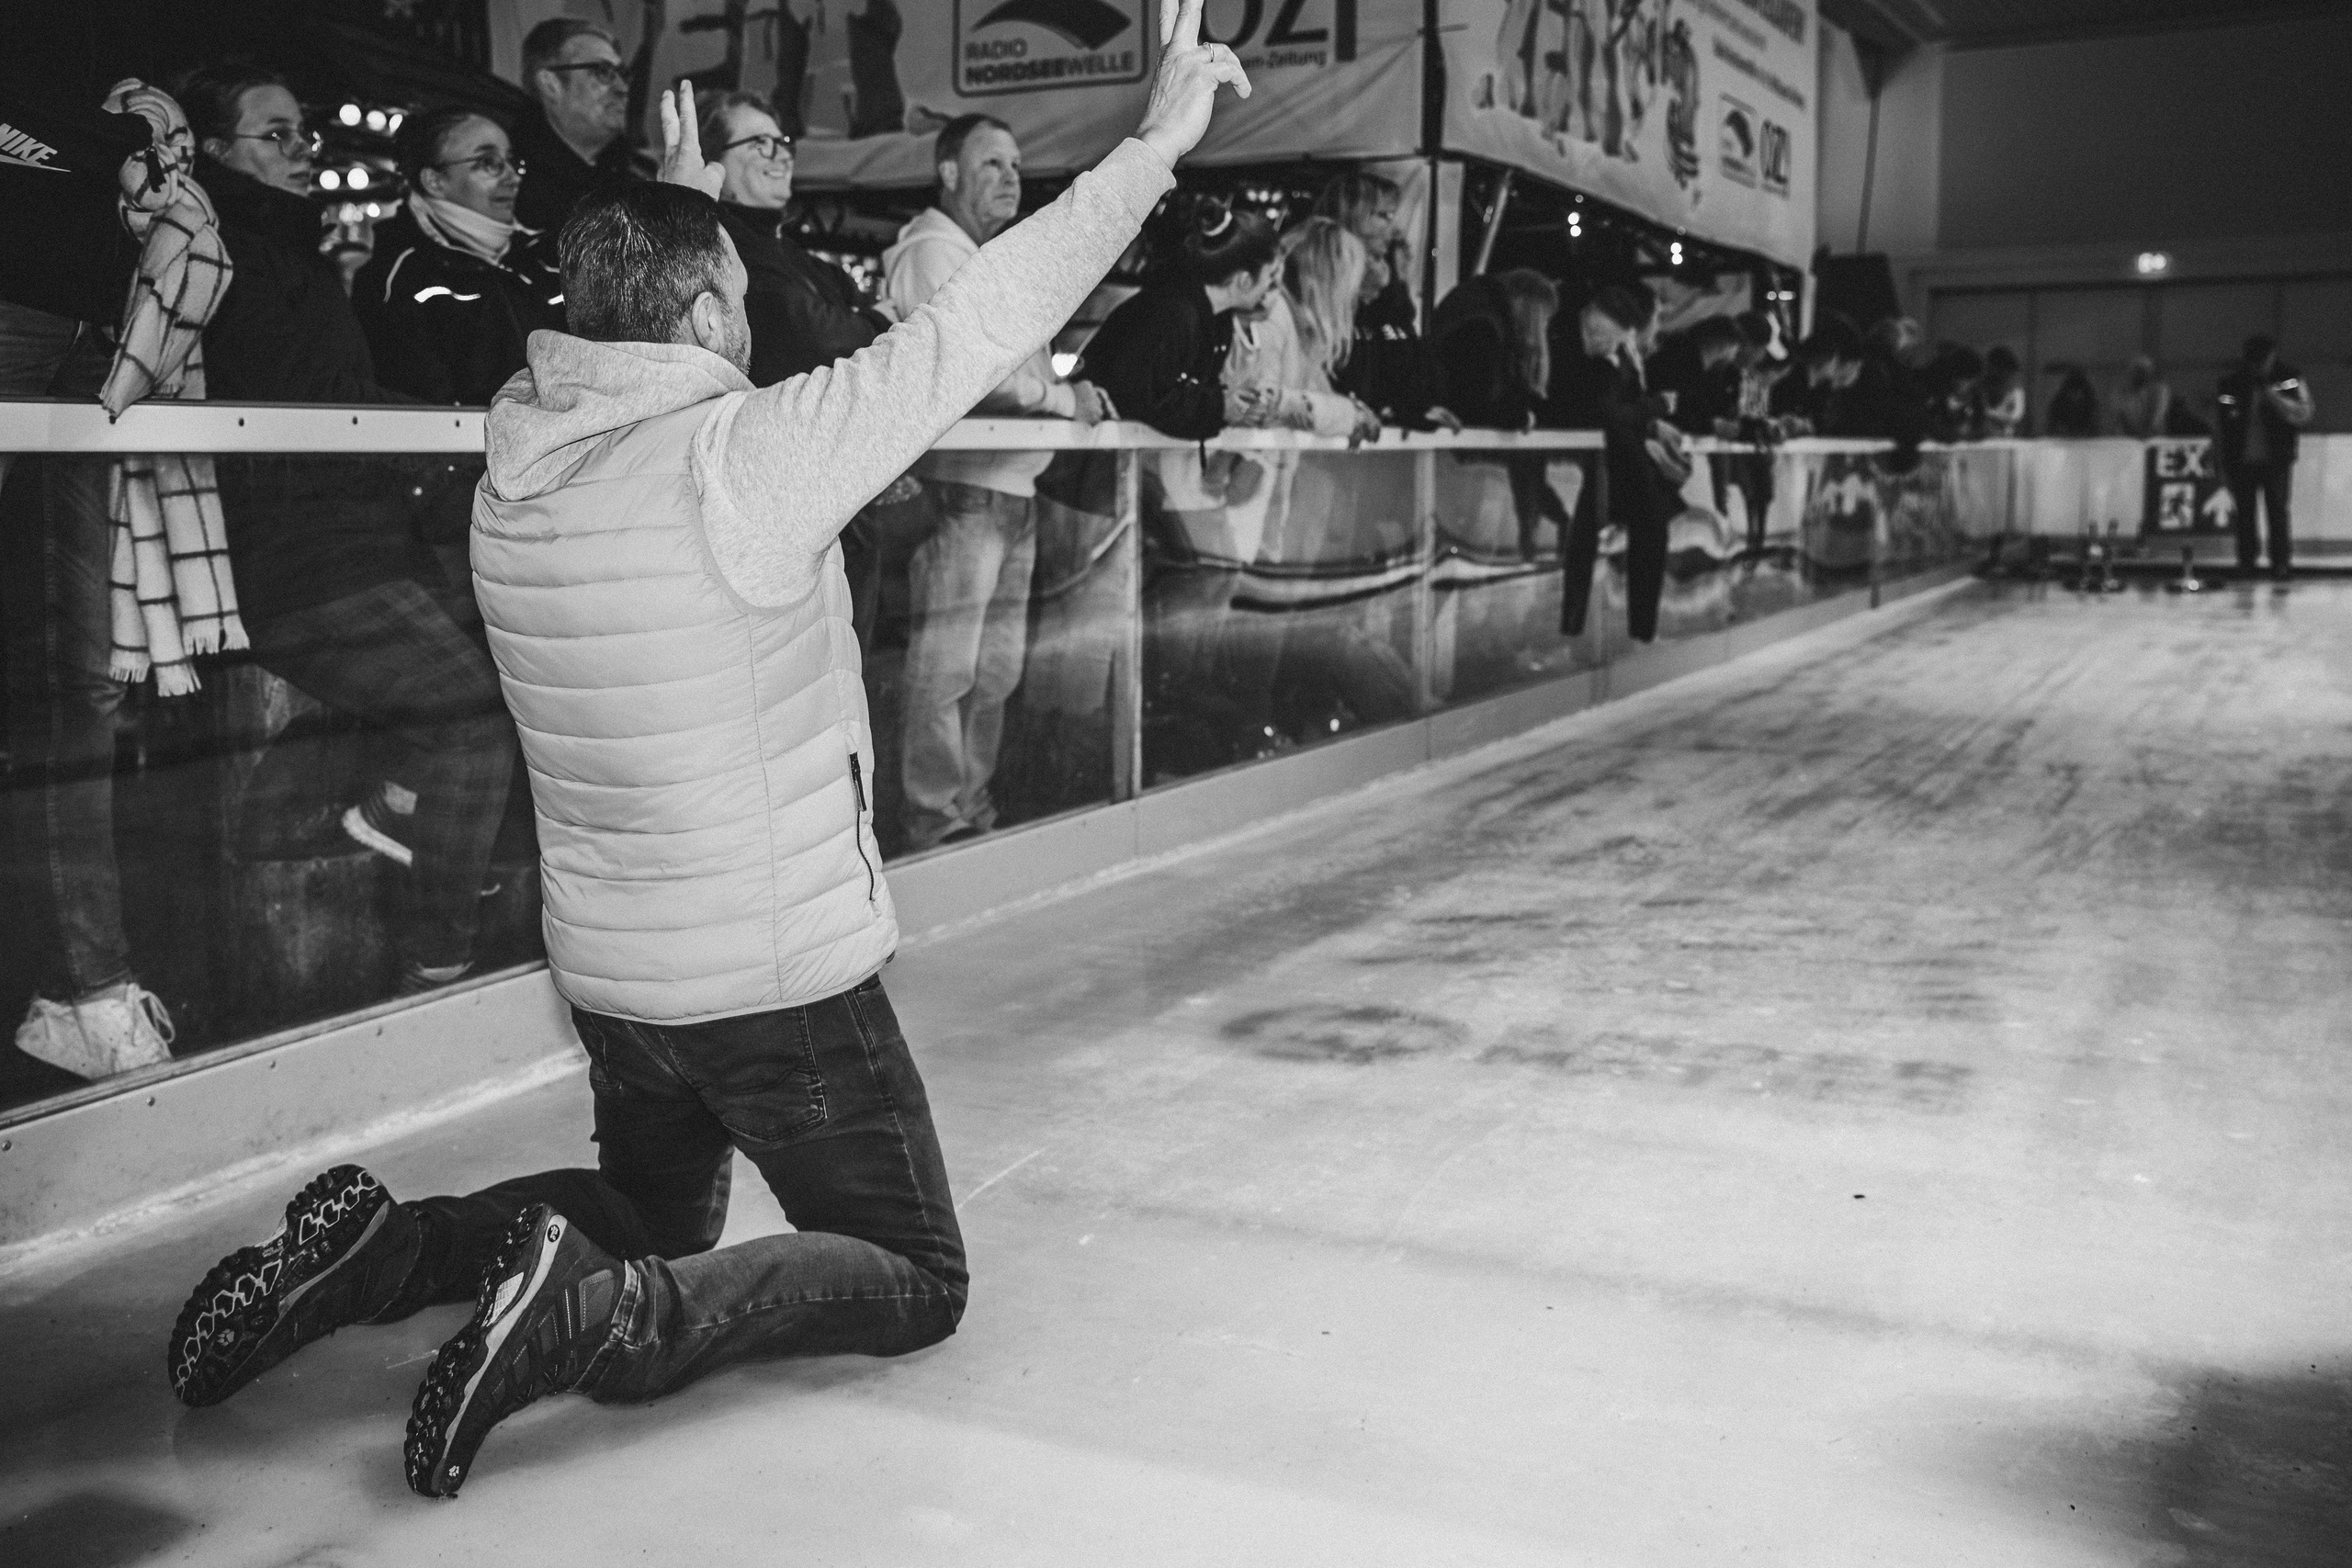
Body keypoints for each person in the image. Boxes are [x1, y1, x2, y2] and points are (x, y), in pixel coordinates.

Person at [165, 6, 1250, 1499]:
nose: (746, 321)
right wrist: (1151, 148)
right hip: (770, 976)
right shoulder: (744, 466)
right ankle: (599, 1322)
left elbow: (646, 328)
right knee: (914, 1271)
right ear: (692, 324)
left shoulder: (518, 470)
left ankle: (386, 1250)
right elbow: (974, 326)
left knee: (649, 1201)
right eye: (731, 295)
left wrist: (667, 207)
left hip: (617, 976)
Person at [183, 59, 516, 994]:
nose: (299, 151)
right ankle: (440, 951)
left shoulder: (287, 252)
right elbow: (308, 395)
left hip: (352, 539)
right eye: (275, 133)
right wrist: (445, 436)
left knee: (488, 695)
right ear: (215, 151)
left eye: (303, 134)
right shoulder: (233, 254)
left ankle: (400, 810)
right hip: (303, 555)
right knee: (473, 722)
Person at [883, 114, 1116, 851]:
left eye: (1016, 164)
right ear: (946, 172)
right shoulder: (932, 253)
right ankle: (934, 817)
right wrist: (1062, 398)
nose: (1011, 177)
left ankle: (970, 805)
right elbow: (980, 371)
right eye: (991, 163)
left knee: (994, 672)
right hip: (964, 489)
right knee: (946, 671)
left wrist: (1052, 393)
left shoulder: (988, 256)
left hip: (1011, 489)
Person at [1079, 199, 1282, 730]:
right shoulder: (1173, 313)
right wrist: (1221, 407)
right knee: (1092, 622)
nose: (1273, 291)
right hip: (1094, 487)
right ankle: (1095, 731)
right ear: (1242, 278)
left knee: (1200, 573)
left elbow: (1167, 393)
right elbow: (1146, 393)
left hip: (1127, 484)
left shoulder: (1203, 319)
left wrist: (1223, 402)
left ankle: (1156, 708)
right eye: (1270, 276)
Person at [355, 107, 567, 605]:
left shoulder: (545, 258)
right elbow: (412, 408)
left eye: (512, 162)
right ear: (433, 180)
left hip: (565, 495)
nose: (510, 176)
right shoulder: (397, 274)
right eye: (486, 162)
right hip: (467, 518)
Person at [1552, 284, 1679, 641]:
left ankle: (1587, 628)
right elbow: (1610, 413)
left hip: (1618, 470)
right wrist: (1656, 408)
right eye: (1588, 329)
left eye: (1596, 330)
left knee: (1592, 548)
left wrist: (1651, 415)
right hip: (1616, 471)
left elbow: (1616, 412)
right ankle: (1602, 630)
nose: (1589, 337)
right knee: (1601, 546)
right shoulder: (1608, 365)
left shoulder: (1621, 362)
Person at [1311, 170, 1454, 430]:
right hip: (1326, 428)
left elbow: (1398, 354)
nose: (1394, 228)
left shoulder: (1385, 285)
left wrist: (1410, 406)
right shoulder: (1322, 283)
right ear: (1351, 215)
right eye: (1383, 216)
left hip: (1358, 428)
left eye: (1393, 216)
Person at [511, 18, 645, 233]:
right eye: (603, 72)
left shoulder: (637, 176)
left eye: (623, 74)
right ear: (550, 84)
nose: (622, 88)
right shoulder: (511, 186)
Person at [2215, 333, 2316, 582]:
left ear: (2273, 355)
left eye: (2263, 360)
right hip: (2241, 459)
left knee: (2278, 513)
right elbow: (2223, 420)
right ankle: (2246, 562)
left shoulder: (2290, 377)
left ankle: (2280, 563)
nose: (2259, 366)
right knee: (2245, 514)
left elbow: (2304, 413)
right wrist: (2222, 459)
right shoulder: (2232, 382)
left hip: (2277, 459)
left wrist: (2272, 396)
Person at [1645, 314, 1746, 435]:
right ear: (1726, 345)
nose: (1734, 356)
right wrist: (1711, 425)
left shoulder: (1683, 356)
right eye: (1736, 348)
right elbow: (1678, 412)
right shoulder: (1683, 363)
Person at [2115, 355, 2177, 437]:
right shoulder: (2122, 391)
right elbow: (2121, 416)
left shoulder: (2160, 390)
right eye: (2136, 371)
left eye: (2142, 371)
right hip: (2128, 437)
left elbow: (2158, 416)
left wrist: (2148, 431)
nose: (2140, 374)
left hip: (2154, 436)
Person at [1980, 345, 2025, 438]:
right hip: (1983, 438)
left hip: (2006, 438)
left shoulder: (2016, 389)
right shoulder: (1981, 388)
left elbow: (2016, 416)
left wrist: (1989, 413)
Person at [2044, 366, 2099, 438]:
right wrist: (2062, 431)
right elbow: (2053, 425)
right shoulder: (2058, 404)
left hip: (2086, 441)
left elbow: (2095, 424)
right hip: (2063, 440)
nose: (2075, 396)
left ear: (2083, 393)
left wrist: (2084, 432)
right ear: (2067, 392)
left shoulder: (2090, 404)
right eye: (2073, 392)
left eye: (2078, 393)